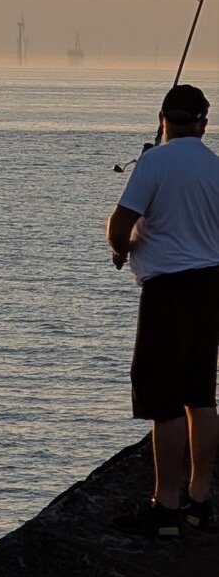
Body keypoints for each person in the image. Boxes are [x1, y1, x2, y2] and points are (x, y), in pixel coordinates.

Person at [105, 81, 219, 538]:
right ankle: (199, 502)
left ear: (162, 120)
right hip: (211, 287)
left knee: (164, 400)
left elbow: (121, 223)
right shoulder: (214, 167)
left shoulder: (153, 162)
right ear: (204, 125)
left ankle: (165, 508)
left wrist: (120, 251)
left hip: (168, 292)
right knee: (201, 396)